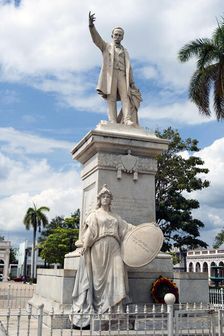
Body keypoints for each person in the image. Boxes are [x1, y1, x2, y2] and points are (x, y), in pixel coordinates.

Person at [71, 185, 134, 327]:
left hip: (115, 247)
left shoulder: (115, 217)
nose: (106, 199)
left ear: (111, 200)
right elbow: (89, 233)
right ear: (99, 199)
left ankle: (117, 310)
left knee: (118, 275)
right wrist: (85, 246)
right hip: (99, 248)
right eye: (103, 197)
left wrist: (145, 229)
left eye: (108, 197)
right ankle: (102, 309)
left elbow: (128, 228)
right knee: (99, 282)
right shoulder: (94, 215)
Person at [89, 12, 142, 126]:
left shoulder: (125, 51)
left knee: (126, 97)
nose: (117, 36)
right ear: (112, 35)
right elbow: (96, 39)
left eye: (120, 35)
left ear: (122, 37)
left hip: (122, 75)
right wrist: (91, 26)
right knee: (111, 98)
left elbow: (129, 68)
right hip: (111, 75)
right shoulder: (106, 46)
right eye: (116, 34)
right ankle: (112, 120)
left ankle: (127, 119)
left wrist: (132, 83)